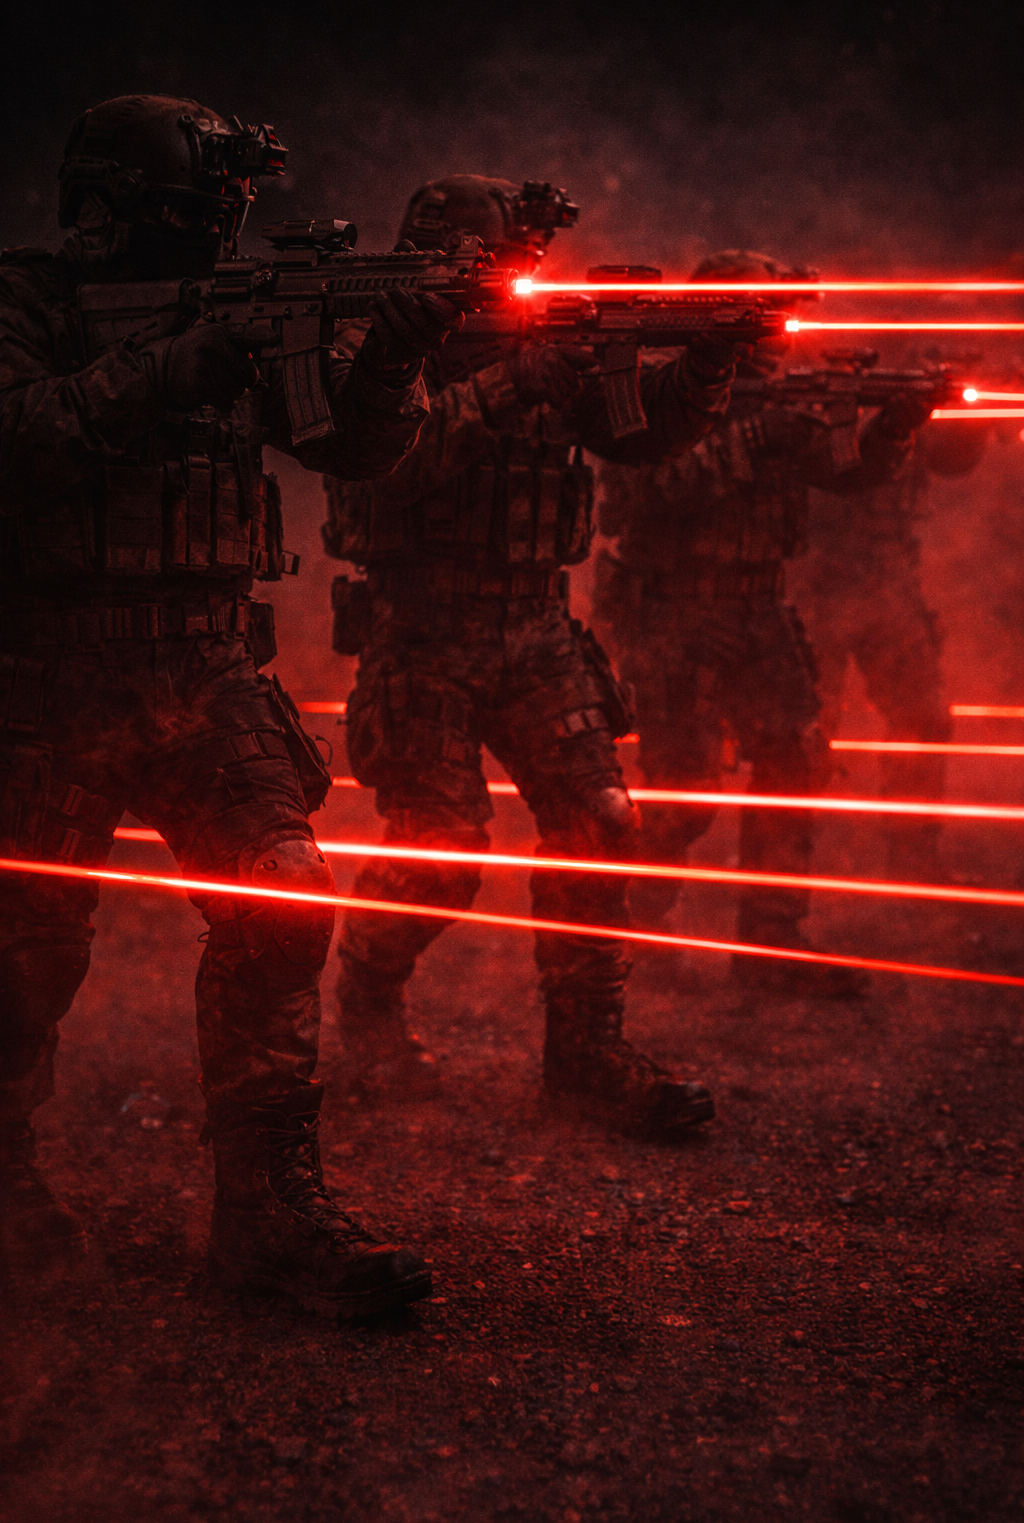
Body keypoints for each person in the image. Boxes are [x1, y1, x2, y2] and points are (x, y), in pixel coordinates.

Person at [0, 95, 460, 1320]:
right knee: (22, 960)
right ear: (101, 213)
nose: (207, 246)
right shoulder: (28, 304)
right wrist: (161, 371)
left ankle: (267, 1221)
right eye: (180, 220)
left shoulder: (234, 316)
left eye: (220, 220)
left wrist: (400, 352)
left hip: (204, 673)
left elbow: (354, 455)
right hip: (43, 677)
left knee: (282, 905)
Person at [323, 175, 737, 1135]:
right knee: (444, 853)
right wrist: (506, 388)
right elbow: (378, 481)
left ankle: (586, 1056)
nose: (519, 280)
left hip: (536, 628)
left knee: (599, 820)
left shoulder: (550, 338)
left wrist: (706, 362)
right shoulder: (379, 345)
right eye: (498, 261)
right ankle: (369, 1002)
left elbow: (646, 439)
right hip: (420, 630)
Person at [592, 251, 930, 998]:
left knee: (794, 762)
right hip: (676, 609)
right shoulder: (657, 392)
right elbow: (653, 492)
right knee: (685, 792)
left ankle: (772, 942)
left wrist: (893, 431)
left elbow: (844, 474)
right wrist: (755, 439)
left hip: (758, 605)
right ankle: (627, 933)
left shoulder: (779, 397)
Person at [794, 420, 987, 882]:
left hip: (886, 572)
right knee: (803, 736)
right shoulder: (805, 362)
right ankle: (782, 888)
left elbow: (953, 458)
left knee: (923, 716)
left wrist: (963, 417)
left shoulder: (906, 356)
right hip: (812, 569)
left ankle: (913, 860)